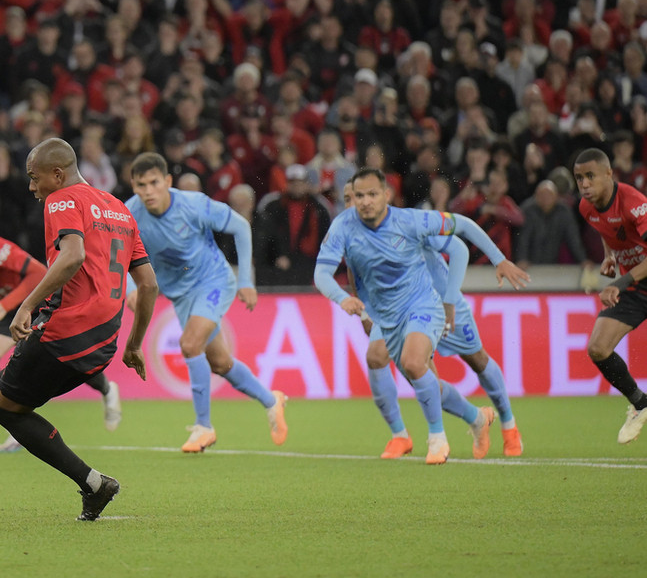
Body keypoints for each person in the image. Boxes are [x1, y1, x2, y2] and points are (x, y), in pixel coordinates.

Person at [0, 138, 160, 522]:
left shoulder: (63, 199)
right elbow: (149, 284)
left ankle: (94, 483)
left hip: (64, 326)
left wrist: (27, 304)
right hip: (104, 339)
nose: (32, 188)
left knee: (7, 408)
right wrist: (134, 345)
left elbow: (72, 256)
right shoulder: (119, 209)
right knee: (4, 395)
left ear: (58, 173)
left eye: (35, 178)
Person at [313, 168, 531, 464]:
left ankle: (508, 425)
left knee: (474, 358)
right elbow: (346, 275)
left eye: (368, 195)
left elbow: (458, 245)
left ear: (386, 196)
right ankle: (466, 421)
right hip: (390, 310)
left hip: (437, 300)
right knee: (408, 369)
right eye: (353, 197)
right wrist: (355, 304)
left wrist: (454, 298)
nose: (359, 203)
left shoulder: (409, 221)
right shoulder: (345, 228)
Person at [124, 152, 287, 453]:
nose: (148, 191)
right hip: (181, 294)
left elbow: (239, 226)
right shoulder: (129, 214)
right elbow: (121, 256)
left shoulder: (193, 204)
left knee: (189, 344)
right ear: (133, 186)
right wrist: (129, 286)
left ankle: (203, 427)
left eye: (154, 183)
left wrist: (246, 281)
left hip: (213, 281)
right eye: (140, 185)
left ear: (168, 182)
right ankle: (271, 400)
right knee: (220, 362)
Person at [0, 206, 122, 454]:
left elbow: (37, 274)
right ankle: (13, 423)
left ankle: (108, 389)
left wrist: (2, 306)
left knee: (65, 361)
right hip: (12, 308)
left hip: (38, 303)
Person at [571, 148, 647, 444]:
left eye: (590, 176)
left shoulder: (634, 203)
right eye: (579, 178)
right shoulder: (585, 208)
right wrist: (610, 255)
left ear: (608, 174)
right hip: (636, 286)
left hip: (632, 279)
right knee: (598, 349)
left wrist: (620, 280)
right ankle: (640, 404)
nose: (584, 184)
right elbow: (606, 229)